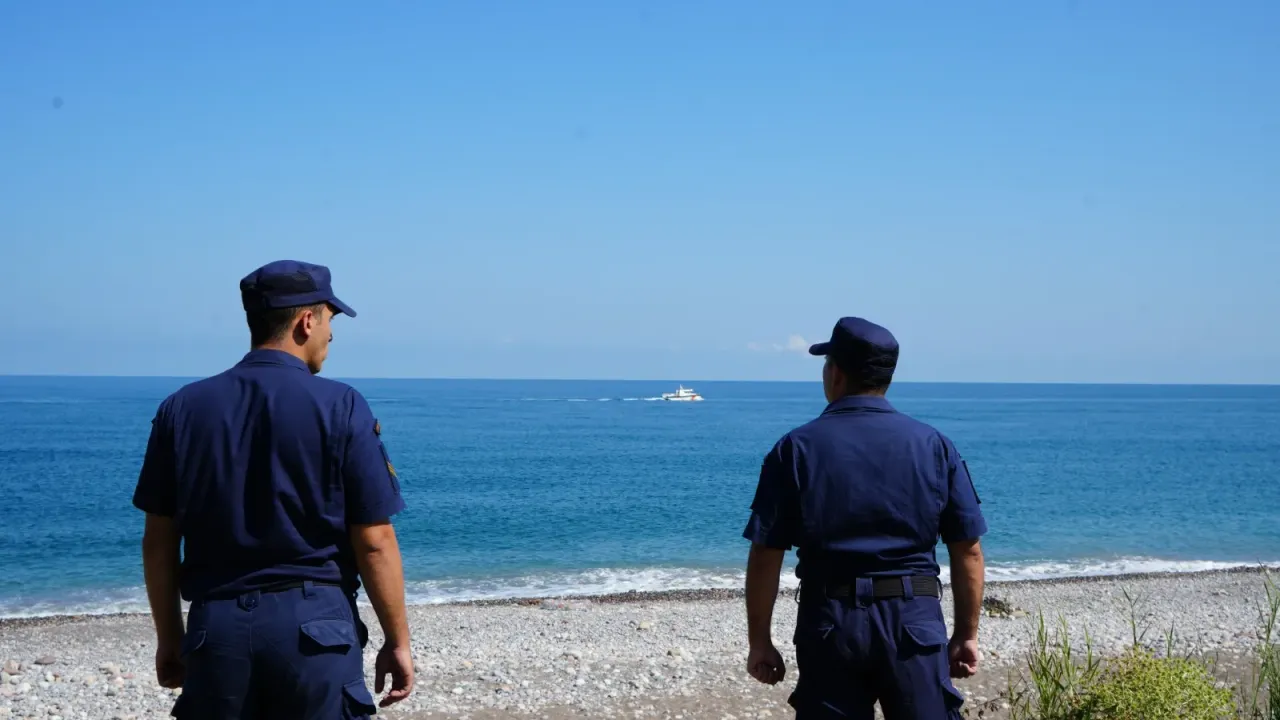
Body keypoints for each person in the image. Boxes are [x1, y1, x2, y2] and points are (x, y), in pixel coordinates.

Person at [132, 260, 415, 718]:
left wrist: (170, 637)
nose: (331, 335)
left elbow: (159, 542)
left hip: (215, 630)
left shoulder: (180, 409)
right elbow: (375, 541)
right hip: (317, 631)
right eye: (329, 320)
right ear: (307, 321)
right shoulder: (342, 405)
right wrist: (397, 640)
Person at [741, 316, 987, 719]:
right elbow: (968, 550)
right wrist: (966, 634)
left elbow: (766, 553)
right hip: (914, 622)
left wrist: (760, 641)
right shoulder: (934, 446)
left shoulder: (795, 449)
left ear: (835, 373)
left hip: (831, 623)